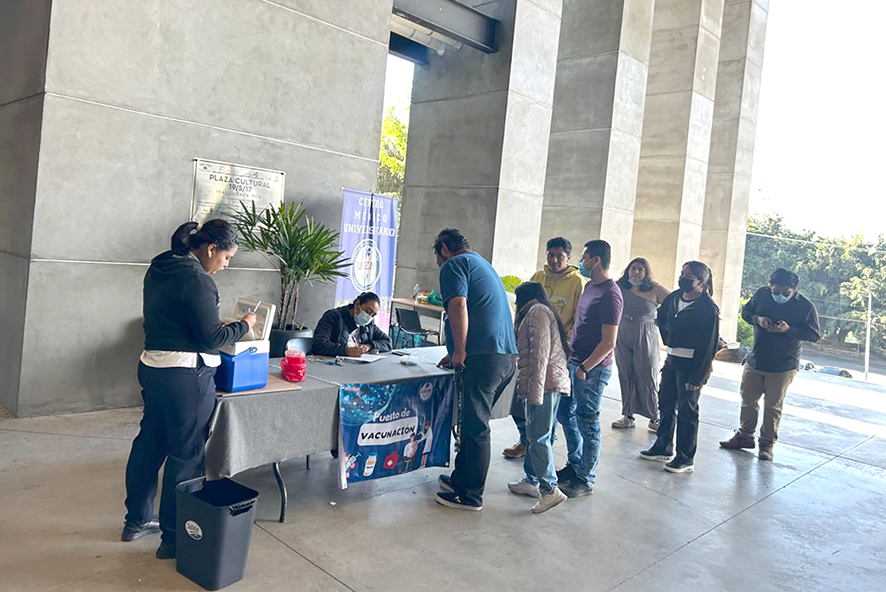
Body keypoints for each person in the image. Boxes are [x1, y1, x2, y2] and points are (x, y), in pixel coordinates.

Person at [123, 220, 257, 560]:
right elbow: (211, 339)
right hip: (186, 378)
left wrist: (213, 322)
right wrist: (243, 325)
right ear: (211, 249)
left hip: (154, 369)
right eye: (226, 257)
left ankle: (136, 519)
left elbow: (176, 318)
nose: (226, 265)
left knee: (149, 445)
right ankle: (174, 539)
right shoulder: (198, 279)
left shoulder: (162, 266)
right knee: (186, 457)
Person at [433, 229, 517, 511]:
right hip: (503, 356)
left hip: (484, 359)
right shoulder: (481, 263)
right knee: (471, 421)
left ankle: (470, 495)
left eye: (437, 257)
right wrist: (455, 350)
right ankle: (461, 479)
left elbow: (458, 305)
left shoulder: (453, 264)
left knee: (475, 427)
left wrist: (459, 350)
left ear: (444, 248)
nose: (439, 263)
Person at [720, 268, 821, 460]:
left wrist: (789, 329)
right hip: (756, 358)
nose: (780, 296)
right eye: (776, 291)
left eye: (785, 293)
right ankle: (744, 436)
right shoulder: (762, 295)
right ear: (769, 286)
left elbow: (814, 334)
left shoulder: (805, 306)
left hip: (784, 364)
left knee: (773, 407)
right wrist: (758, 319)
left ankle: (766, 444)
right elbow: (746, 312)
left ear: (795, 289)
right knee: (748, 401)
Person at [503, 237, 586, 460]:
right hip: (533, 349)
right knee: (521, 402)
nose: (554, 260)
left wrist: (565, 345)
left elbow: (579, 319)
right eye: (551, 255)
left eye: (560, 256)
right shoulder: (538, 277)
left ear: (569, 257)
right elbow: (522, 308)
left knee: (559, 408)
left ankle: (558, 451)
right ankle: (528, 441)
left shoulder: (577, 282)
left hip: (559, 352)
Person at [557, 240, 623, 498]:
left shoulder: (611, 294)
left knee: (588, 422)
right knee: (566, 414)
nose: (580, 263)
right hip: (575, 362)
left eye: (584, 258)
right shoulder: (589, 287)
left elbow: (609, 341)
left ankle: (585, 478)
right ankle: (575, 464)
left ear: (596, 261)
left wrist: (585, 366)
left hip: (591, 369)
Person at [640, 261, 720, 474]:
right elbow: (662, 316)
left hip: (691, 365)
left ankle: (685, 457)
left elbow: (709, 346)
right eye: (683, 273)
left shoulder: (708, 308)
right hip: (672, 359)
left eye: (689, 276)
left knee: (687, 411)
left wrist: (697, 377)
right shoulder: (675, 297)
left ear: (701, 281)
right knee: (666, 404)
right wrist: (668, 338)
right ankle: (663, 446)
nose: (683, 278)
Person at [507, 282, 571, 513]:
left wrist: (534, 393)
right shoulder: (541, 310)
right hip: (549, 383)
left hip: (545, 385)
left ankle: (550, 490)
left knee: (538, 436)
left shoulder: (537, 312)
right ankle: (532, 480)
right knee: (541, 435)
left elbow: (540, 355)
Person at [612, 258, 670, 431]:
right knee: (626, 373)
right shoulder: (619, 286)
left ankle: (655, 417)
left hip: (645, 333)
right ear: (628, 271)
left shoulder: (655, 288)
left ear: (646, 273)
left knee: (647, 374)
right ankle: (628, 415)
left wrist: (663, 322)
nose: (636, 272)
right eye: (633, 268)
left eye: (640, 269)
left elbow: (674, 303)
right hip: (623, 332)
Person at [311, 292, 392, 357]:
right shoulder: (333, 317)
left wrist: (369, 346)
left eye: (373, 315)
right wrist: (346, 351)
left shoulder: (369, 324)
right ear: (357, 304)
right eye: (368, 311)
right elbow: (318, 345)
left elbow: (388, 342)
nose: (369, 317)